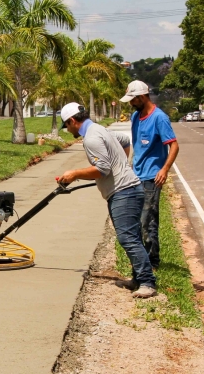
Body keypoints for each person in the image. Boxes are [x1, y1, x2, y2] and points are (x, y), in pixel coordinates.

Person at [56, 102, 157, 299]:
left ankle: (147, 282)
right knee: (132, 236)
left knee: (127, 238)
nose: (68, 130)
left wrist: (74, 174)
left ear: (72, 121)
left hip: (124, 192)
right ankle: (138, 279)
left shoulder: (91, 138)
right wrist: (123, 166)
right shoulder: (99, 129)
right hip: (128, 189)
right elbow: (124, 140)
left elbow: (102, 169)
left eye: (66, 126)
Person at [120, 80, 180, 269]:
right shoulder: (135, 117)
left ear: (142, 97)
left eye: (132, 99)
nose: (130, 103)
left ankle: (152, 261)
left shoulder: (159, 118)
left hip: (152, 177)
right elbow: (136, 145)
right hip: (136, 175)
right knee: (136, 220)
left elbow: (174, 145)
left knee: (148, 220)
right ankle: (142, 258)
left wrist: (164, 169)